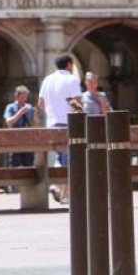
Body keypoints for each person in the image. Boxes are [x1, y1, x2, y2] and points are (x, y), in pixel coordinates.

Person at [38, 54, 82, 203]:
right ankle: (60, 188)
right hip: (68, 122)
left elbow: (41, 103)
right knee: (68, 158)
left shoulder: (47, 80)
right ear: (69, 64)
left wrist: (51, 112)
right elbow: (77, 102)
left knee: (60, 156)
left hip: (52, 123)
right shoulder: (72, 80)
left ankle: (64, 193)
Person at [3, 85, 36, 168]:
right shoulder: (10, 107)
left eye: (26, 97)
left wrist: (35, 115)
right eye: (22, 97)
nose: (24, 100)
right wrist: (19, 113)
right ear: (17, 97)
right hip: (15, 139)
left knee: (29, 163)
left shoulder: (29, 107)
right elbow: (9, 122)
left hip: (28, 139)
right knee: (15, 163)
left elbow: (34, 124)